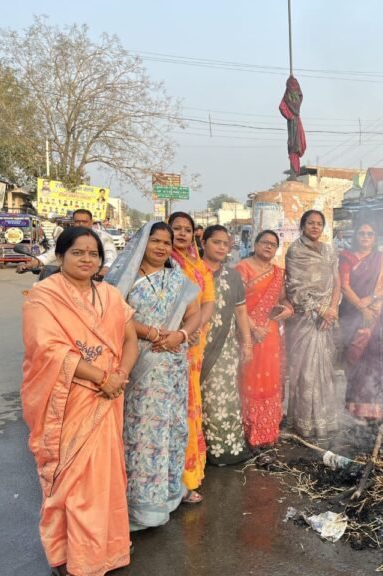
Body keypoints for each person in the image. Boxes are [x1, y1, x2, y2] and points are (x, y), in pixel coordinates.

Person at [22, 227, 139, 576]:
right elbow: (48, 351)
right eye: (78, 252)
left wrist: (119, 376)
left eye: (93, 253)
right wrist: (102, 377)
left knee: (103, 479)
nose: (87, 259)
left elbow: (130, 339)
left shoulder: (111, 296)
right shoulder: (43, 296)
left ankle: (106, 551)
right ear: (60, 256)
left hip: (108, 396)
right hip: (70, 398)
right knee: (71, 482)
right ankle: (73, 557)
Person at [105, 222, 201, 531]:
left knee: (171, 430)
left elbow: (195, 313)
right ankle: (138, 509)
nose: (161, 247)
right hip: (140, 366)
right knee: (141, 436)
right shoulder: (124, 279)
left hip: (172, 367)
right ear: (142, 243)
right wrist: (155, 332)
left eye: (166, 242)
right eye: (155, 241)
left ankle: (167, 497)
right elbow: (113, 318)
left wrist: (182, 334)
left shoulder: (178, 278)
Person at [168, 212, 215, 503]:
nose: (182, 234)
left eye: (187, 229)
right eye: (176, 229)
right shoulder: (164, 263)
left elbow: (208, 301)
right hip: (167, 343)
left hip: (194, 345)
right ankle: (172, 483)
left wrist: (193, 327)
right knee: (173, 410)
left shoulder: (199, 266)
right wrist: (184, 330)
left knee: (190, 406)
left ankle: (189, 475)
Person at [282, 210, 341, 438]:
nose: (315, 227)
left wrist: (333, 309)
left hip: (328, 317)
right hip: (305, 318)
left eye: (319, 223)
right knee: (305, 371)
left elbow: (337, 282)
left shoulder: (328, 250)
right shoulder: (296, 251)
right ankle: (303, 421)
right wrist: (320, 310)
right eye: (311, 223)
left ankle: (325, 419)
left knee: (325, 369)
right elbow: (295, 287)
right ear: (303, 226)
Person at [200, 225, 253, 465]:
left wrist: (247, 344)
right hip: (196, 346)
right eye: (216, 242)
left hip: (225, 347)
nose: (222, 247)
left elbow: (241, 312)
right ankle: (197, 453)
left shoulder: (232, 276)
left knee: (223, 398)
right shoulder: (193, 273)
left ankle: (224, 449)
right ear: (203, 243)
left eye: (226, 244)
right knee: (197, 399)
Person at [236, 230, 291, 448]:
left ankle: (267, 430)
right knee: (249, 378)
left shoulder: (278, 273)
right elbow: (235, 303)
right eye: (264, 242)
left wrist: (288, 309)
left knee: (271, 379)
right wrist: (253, 328)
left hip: (270, 335)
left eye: (273, 244)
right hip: (247, 331)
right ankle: (248, 429)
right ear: (255, 244)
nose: (268, 247)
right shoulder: (242, 268)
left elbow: (283, 298)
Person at [339, 222, 383, 422]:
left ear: (375, 238)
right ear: (355, 236)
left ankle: (377, 409)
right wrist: (362, 309)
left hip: (376, 315)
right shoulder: (346, 257)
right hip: (352, 316)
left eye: (370, 234)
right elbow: (344, 286)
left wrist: (371, 299)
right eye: (361, 233)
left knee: (374, 360)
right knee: (355, 360)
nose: (365, 237)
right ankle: (355, 408)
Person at [18, 209, 118, 276]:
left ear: (92, 222)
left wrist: (105, 269)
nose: (80, 224)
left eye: (84, 222)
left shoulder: (103, 237)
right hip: (69, 277)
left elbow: (110, 256)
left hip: (94, 278)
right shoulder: (67, 236)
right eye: (77, 221)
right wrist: (30, 264)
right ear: (73, 222)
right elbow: (51, 254)